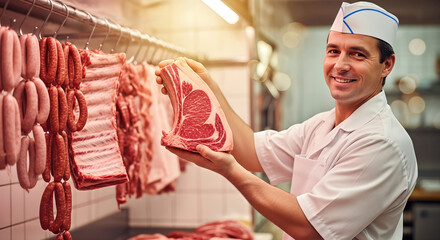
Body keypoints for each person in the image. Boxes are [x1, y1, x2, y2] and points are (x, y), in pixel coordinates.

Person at [155, 1, 418, 239]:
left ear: (387, 65)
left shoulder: (381, 143)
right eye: (333, 51)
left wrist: (229, 170)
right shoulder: (321, 125)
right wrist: (207, 86)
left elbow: (311, 228)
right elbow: (249, 150)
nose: (340, 65)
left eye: (357, 54)